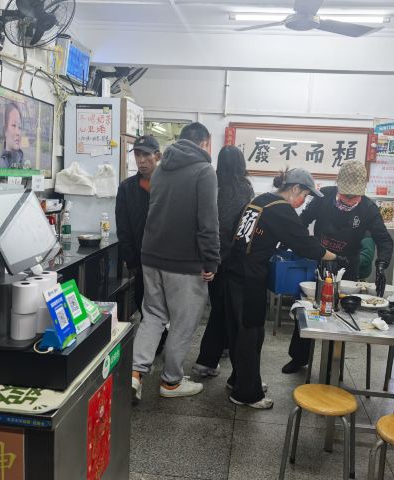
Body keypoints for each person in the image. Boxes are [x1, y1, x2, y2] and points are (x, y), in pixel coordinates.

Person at [225, 168, 340, 408]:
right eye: (305, 196)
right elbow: (303, 243)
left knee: (239, 331)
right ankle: (246, 394)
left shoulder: (260, 201)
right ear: (295, 189)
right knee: (251, 334)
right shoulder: (281, 209)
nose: (303, 202)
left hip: (233, 272)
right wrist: (333, 256)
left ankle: (239, 380)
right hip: (250, 277)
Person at [131, 122, 220, 402]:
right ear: (205, 143)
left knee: (153, 316)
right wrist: (211, 261)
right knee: (182, 322)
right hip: (184, 261)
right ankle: (171, 382)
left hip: (151, 255)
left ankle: (134, 374)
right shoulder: (204, 171)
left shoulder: (161, 170)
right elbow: (208, 221)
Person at [284, 160, 394, 374]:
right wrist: (296, 244)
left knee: (343, 315)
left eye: (353, 197)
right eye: (344, 195)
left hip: (347, 266)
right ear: (338, 187)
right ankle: (298, 358)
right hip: (319, 260)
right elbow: (302, 221)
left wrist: (381, 265)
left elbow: (384, 240)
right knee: (306, 309)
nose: (347, 199)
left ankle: (334, 365)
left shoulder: (369, 209)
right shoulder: (323, 197)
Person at [193, 146, 255, 378]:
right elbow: (244, 224)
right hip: (232, 257)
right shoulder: (244, 187)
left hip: (209, 253)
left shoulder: (212, 183)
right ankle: (209, 357)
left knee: (219, 304)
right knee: (224, 307)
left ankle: (219, 350)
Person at [115, 135, 162, 312]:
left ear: (157, 156)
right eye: (137, 155)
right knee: (144, 307)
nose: (141, 160)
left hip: (165, 261)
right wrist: (131, 261)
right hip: (141, 261)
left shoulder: (168, 186)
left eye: (146, 155)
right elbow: (123, 227)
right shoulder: (127, 188)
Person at [0, 102, 25, 169]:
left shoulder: (24, 162)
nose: (18, 133)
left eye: (20, 127)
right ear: (5, 130)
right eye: (14, 125)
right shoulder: (1, 165)